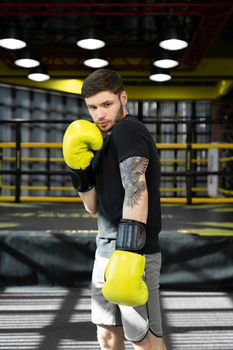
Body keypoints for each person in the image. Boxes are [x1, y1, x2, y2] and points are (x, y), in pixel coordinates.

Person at [63, 68, 167, 350]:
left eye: (107, 104)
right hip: (105, 249)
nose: (100, 115)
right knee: (108, 335)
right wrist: (79, 170)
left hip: (133, 251)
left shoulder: (128, 130)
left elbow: (137, 189)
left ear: (123, 98)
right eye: (93, 107)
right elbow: (93, 207)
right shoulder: (100, 141)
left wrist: (129, 253)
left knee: (145, 341)